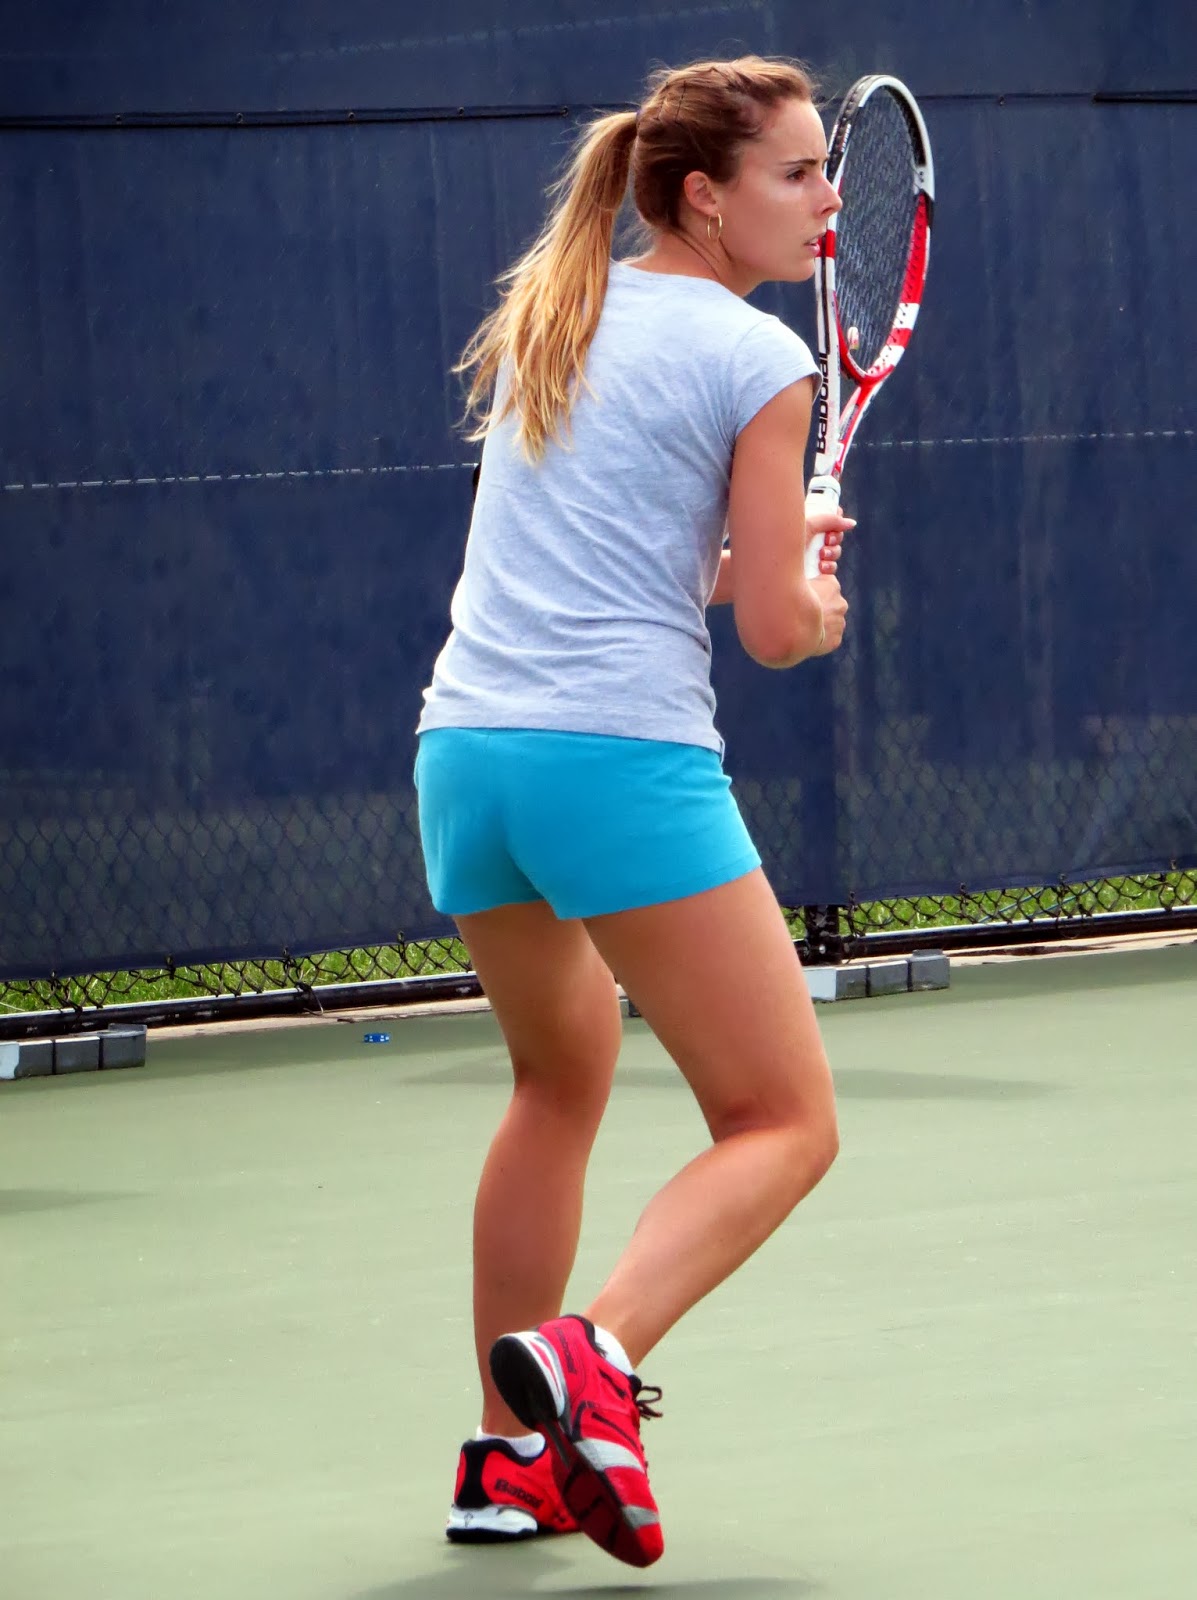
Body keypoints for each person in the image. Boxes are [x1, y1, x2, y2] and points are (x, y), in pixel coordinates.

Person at [415, 54, 853, 1568]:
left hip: (469, 757)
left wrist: (772, 554)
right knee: (783, 1120)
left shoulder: (563, 309)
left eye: (822, 168)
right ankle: (590, 1354)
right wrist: (810, 595)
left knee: (558, 1082)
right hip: (614, 761)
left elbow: (665, 565)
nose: (824, 197)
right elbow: (773, 637)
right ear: (699, 197)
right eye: (794, 173)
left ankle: (501, 1462)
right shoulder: (757, 356)